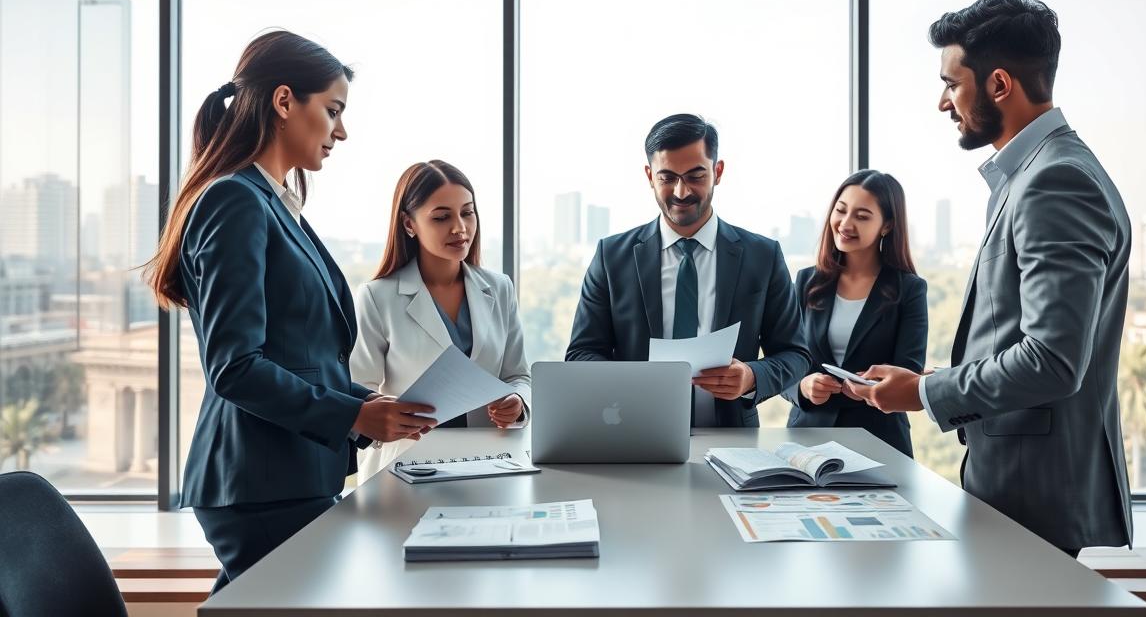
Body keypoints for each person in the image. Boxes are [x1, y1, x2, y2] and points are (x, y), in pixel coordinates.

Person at [145, 31, 435, 593]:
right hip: (259, 482)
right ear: (284, 102)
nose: (341, 132)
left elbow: (298, 354)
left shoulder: (273, 204)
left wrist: (364, 404)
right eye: (333, 110)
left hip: (287, 475)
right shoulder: (235, 201)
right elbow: (235, 367)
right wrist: (352, 417)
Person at [847, 0, 1133, 556]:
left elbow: (1053, 360)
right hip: (1023, 492)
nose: (943, 102)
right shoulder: (1029, 176)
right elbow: (1020, 336)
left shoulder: (1055, 182)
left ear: (999, 84)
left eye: (952, 84)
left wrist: (924, 392)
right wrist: (937, 377)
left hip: (1043, 502)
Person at [566, 113, 808, 426]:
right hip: (633, 433)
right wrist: (630, 384)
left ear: (717, 172)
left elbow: (795, 354)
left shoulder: (763, 256)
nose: (681, 192)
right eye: (667, 178)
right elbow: (581, 354)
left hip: (732, 439)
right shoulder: (611, 257)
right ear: (649, 176)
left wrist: (752, 376)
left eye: (695, 176)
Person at [350, 160, 531, 484]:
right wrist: (388, 415)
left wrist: (518, 403)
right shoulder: (377, 297)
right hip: (406, 466)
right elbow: (359, 387)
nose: (460, 228)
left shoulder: (499, 288)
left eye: (467, 213)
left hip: (488, 463)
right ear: (409, 224)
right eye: (442, 217)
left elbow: (518, 374)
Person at [780, 170, 926, 457]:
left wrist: (870, 388)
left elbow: (908, 371)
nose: (846, 224)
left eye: (862, 216)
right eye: (841, 210)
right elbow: (784, 362)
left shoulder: (909, 289)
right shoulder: (807, 282)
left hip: (879, 441)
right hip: (808, 442)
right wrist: (803, 387)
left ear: (887, 225)